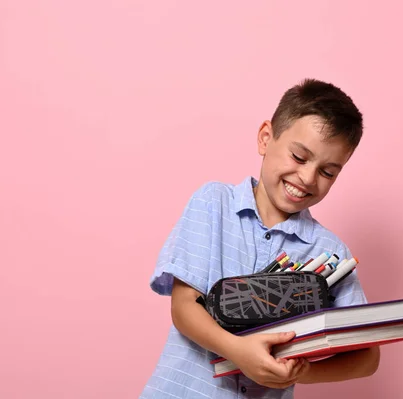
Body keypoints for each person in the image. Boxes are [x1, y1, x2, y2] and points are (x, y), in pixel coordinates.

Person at [140, 78, 380, 398]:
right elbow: (184, 308)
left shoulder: (330, 251)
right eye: (298, 156)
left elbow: (367, 357)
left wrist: (304, 371)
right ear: (266, 138)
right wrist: (238, 352)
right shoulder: (214, 203)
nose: (308, 178)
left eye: (327, 172)